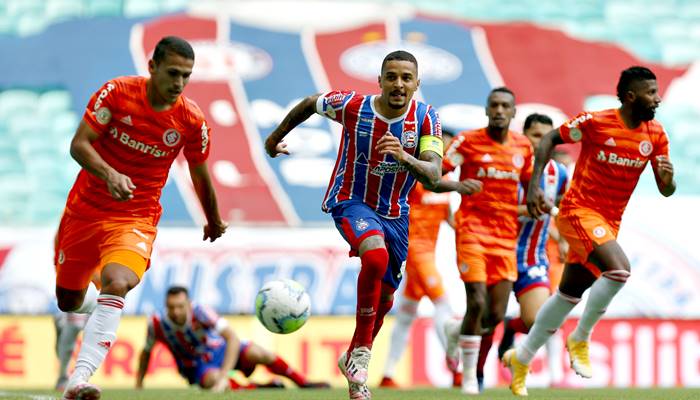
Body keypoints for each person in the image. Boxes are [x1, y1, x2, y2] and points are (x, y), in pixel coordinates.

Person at [55, 36, 228, 400]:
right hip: (84, 212)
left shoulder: (191, 120)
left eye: (186, 76)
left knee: (117, 282)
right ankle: (90, 306)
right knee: (67, 301)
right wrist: (109, 174)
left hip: (134, 217)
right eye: (173, 73)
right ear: (152, 67)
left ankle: (79, 378)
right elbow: (79, 144)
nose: (179, 83)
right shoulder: (116, 93)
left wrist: (213, 219)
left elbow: (200, 174)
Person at [265, 50, 443, 400]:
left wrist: (405, 157)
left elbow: (434, 174)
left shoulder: (426, 118)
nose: (398, 84)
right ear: (379, 80)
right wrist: (274, 137)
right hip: (351, 201)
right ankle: (362, 353)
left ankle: (352, 363)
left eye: (406, 78)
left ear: (417, 84)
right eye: (391, 76)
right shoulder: (353, 106)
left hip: (396, 214)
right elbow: (310, 103)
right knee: (373, 257)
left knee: (387, 298)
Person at [503, 66, 676, 396]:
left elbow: (665, 188)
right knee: (620, 270)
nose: (657, 98)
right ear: (630, 96)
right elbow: (551, 139)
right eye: (651, 92)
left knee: (569, 293)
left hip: (608, 222)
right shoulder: (596, 123)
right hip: (577, 212)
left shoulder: (656, 135)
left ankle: (521, 358)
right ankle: (580, 337)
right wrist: (537, 185)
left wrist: (668, 181)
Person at [439, 87, 534, 394]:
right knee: (477, 301)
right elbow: (436, 173)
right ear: (486, 110)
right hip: (472, 232)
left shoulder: (523, 147)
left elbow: (530, 185)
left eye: (506, 106)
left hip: (506, 238)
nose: (499, 110)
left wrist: (537, 201)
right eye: (494, 105)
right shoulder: (467, 141)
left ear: (513, 112)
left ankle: (456, 330)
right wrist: (456, 184)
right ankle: (468, 377)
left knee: (493, 315)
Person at [379, 129, 461, 389]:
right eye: (442, 147)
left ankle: (388, 374)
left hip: (426, 253)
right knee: (442, 303)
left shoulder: (446, 183)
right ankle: (456, 367)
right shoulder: (415, 177)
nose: (445, 153)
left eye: (449, 148)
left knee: (405, 314)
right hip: (413, 250)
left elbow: (449, 218)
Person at [135, 286, 329, 391]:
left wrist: (224, 374)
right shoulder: (156, 324)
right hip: (197, 366)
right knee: (212, 380)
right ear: (165, 306)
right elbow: (146, 353)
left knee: (260, 353)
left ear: (188, 303)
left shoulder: (201, 312)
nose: (176, 311)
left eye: (180, 306)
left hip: (220, 351)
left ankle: (303, 383)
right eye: (171, 307)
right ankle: (259, 388)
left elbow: (232, 338)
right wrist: (139, 384)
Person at [495, 114, 569, 385]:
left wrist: (564, 237)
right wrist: (525, 209)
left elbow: (562, 207)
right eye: (537, 136)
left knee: (540, 322)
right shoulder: (508, 166)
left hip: (533, 256)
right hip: (498, 251)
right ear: (524, 136)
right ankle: (461, 345)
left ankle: (511, 327)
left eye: (549, 137)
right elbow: (491, 210)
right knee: (483, 319)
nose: (543, 142)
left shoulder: (559, 173)